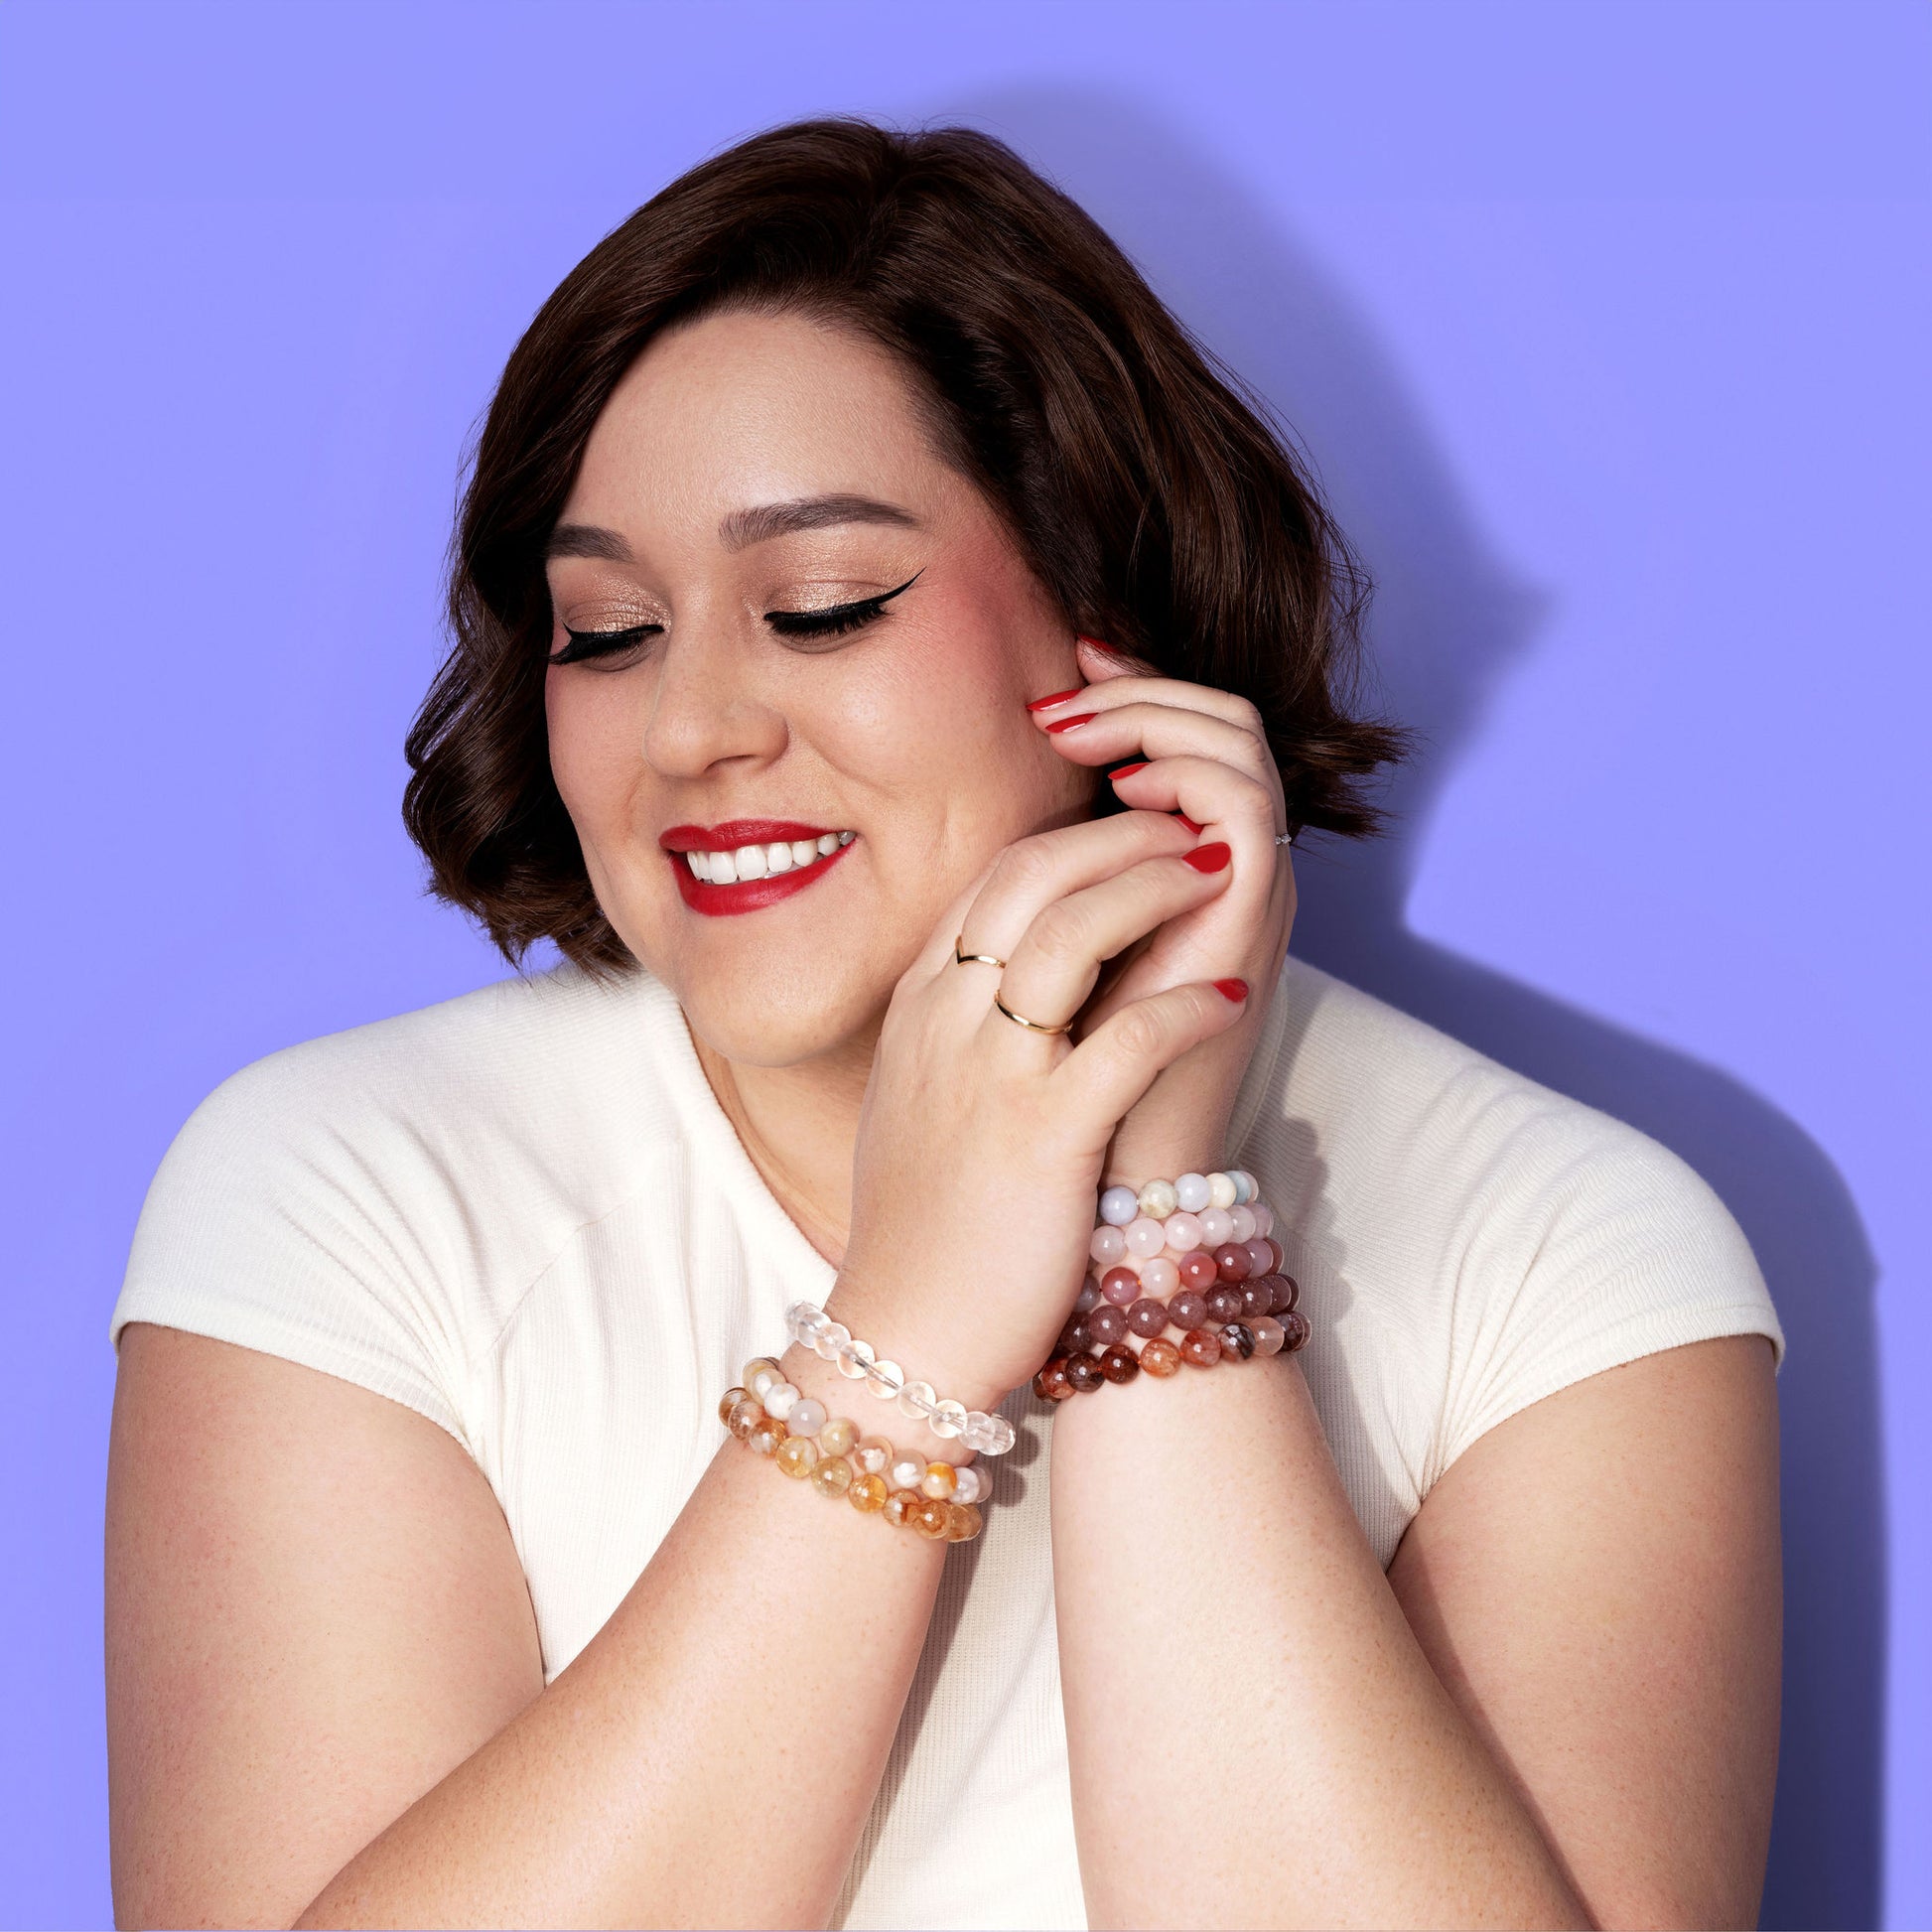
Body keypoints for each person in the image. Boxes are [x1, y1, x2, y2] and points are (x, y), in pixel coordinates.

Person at [104, 119, 1783, 1931]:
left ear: (1108, 626)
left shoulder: (1566, 1254)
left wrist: (1158, 1224)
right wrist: (903, 1324)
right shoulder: (351, 1191)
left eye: (820, 608)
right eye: (606, 631)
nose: (692, 730)